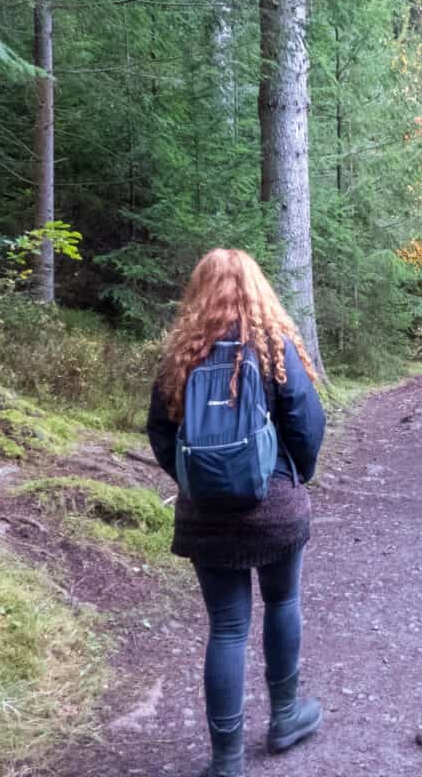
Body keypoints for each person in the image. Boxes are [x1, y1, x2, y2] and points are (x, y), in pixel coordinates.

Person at [146, 248, 326, 777]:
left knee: (227, 628)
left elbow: (160, 433)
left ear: (199, 293)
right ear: (256, 289)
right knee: (282, 600)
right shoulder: (274, 347)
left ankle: (226, 761)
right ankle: (285, 717)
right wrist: (295, 476)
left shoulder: (184, 355)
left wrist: (196, 482)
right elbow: (306, 423)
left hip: (206, 515)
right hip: (276, 506)